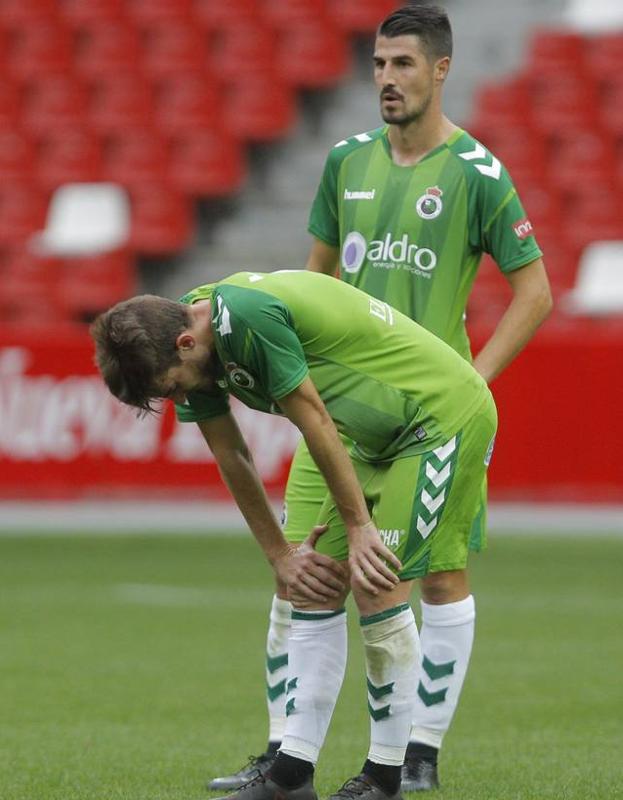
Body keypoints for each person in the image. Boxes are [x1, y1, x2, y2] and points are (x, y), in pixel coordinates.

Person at [209, 3, 553, 794]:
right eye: (376, 64)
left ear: (440, 71)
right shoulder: (344, 163)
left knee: (426, 579)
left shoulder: (476, 174)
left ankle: (414, 751)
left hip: (426, 423)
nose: (385, 80)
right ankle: (285, 759)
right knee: (302, 576)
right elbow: (314, 277)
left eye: (402, 65)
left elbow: (533, 291)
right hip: (337, 416)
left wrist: (473, 384)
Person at [91, 268, 498, 800]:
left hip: (440, 421)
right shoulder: (188, 335)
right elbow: (230, 452)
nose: (178, 396)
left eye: (172, 386)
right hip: (375, 435)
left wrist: (357, 527)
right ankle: (291, 774)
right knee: (310, 587)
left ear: (186, 343)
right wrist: (280, 556)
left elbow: (316, 424)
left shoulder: (248, 317)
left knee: (375, 583)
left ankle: (385, 776)